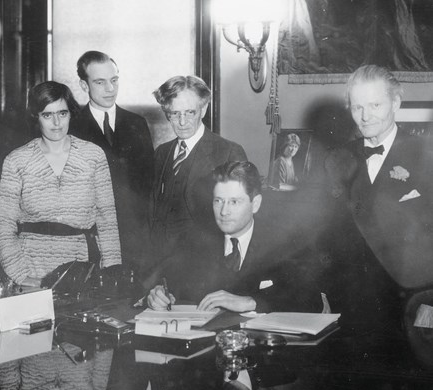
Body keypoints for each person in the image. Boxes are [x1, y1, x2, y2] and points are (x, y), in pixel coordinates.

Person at [324, 64, 433, 330]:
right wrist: (322, 295)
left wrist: (430, 305)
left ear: (395, 103)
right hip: (349, 307)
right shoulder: (336, 160)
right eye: (357, 107)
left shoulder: (426, 155)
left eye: (375, 105)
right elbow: (323, 238)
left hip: (411, 307)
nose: (365, 116)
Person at [147, 161, 322, 313]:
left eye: (234, 202)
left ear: (255, 204)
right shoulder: (195, 241)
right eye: (218, 201)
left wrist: (252, 301)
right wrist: (160, 296)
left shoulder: (284, 242)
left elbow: (309, 298)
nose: (224, 211)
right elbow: (171, 283)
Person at [0, 81, 121, 287]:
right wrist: (21, 276)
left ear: (71, 113)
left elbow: (107, 222)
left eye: (62, 113)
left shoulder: (93, 156)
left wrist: (112, 274)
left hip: (81, 268)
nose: (56, 122)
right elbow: (3, 227)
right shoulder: (16, 160)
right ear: (36, 117)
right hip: (30, 267)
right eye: (47, 115)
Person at [70, 51, 154, 271]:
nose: (110, 89)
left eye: (114, 80)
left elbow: (148, 184)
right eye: (100, 82)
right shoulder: (71, 127)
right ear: (84, 85)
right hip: (92, 239)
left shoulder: (137, 123)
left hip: (135, 238)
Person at [150, 76, 247, 260]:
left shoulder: (228, 152)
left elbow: (239, 222)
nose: (182, 121)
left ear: (203, 110)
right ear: (167, 113)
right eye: (174, 113)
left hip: (207, 265)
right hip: (162, 267)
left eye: (189, 112)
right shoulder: (161, 153)